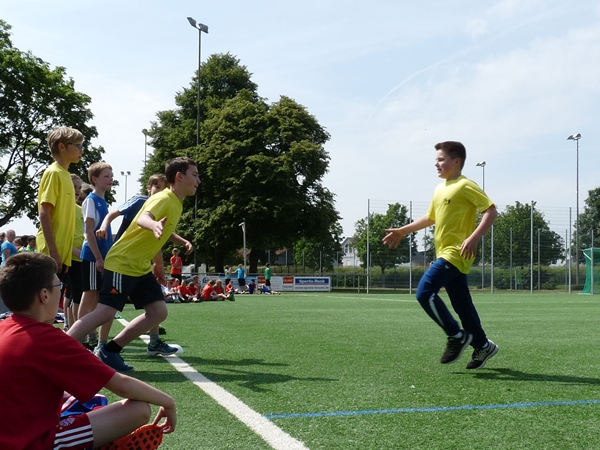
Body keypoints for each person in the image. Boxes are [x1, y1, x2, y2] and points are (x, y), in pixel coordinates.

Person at [0, 252, 177, 449]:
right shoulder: (47, 340)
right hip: (28, 442)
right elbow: (121, 385)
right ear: (44, 295)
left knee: (78, 399)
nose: (61, 291)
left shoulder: (4, 328)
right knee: (139, 409)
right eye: (59, 286)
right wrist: (168, 402)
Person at [67, 157, 200, 372]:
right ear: (179, 177)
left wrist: (180, 240)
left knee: (158, 312)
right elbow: (143, 218)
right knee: (105, 312)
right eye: (195, 175)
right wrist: (153, 224)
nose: (198, 180)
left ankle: (110, 351)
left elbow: (161, 228)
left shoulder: (175, 202)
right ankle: (57, 350)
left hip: (139, 266)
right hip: (123, 262)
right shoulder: (164, 198)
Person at [382, 141, 499, 370]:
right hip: (444, 253)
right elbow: (431, 217)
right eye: (436, 160)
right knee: (462, 305)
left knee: (424, 292)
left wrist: (474, 237)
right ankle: (483, 345)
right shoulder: (439, 189)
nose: (436, 164)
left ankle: (456, 336)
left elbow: (491, 210)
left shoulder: (465, 185)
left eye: (441, 159)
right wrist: (403, 231)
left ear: (456, 161)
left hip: (456, 252)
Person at [36, 127, 83, 282]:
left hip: (61, 253)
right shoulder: (53, 173)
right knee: (43, 295)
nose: (81, 150)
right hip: (50, 252)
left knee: (55, 295)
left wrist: (65, 254)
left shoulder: (66, 176)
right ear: (62, 147)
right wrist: (53, 251)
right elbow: (44, 213)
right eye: (78, 145)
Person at [78, 162, 115, 350]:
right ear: (95, 179)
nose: (111, 179)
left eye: (111, 175)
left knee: (98, 296)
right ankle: (79, 337)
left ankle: (92, 336)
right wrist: (98, 257)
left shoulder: (103, 202)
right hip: (93, 256)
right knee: (89, 295)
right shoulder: (91, 200)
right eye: (106, 176)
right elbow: (89, 231)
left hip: (102, 256)